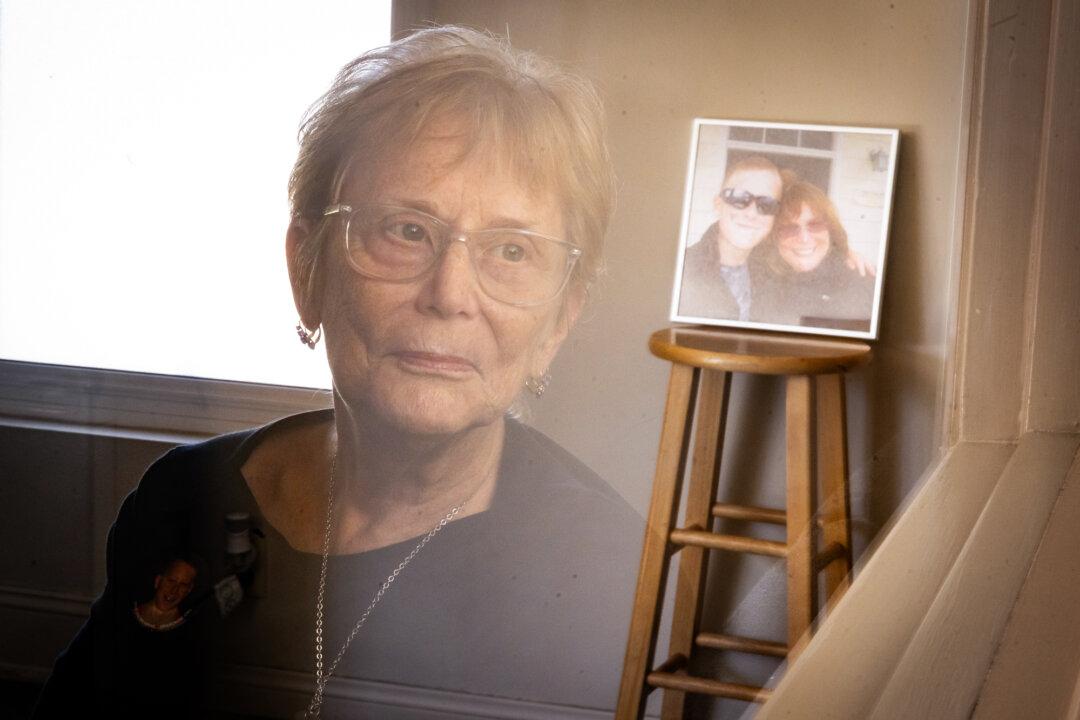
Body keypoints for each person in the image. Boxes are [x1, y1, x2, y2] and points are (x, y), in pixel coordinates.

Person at [35, 26, 643, 719]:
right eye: (406, 230)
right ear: (306, 268)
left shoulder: (617, 578)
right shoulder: (183, 496)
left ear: (559, 320)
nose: (449, 295)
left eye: (510, 250)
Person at [753, 178, 875, 331]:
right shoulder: (754, 280)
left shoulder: (866, 285)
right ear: (773, 236)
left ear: (831, 230)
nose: (804, 239)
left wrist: (844, 251)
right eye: (789, 228)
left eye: (815, 225)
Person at [677, 156, 782, 321]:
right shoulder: (682, 269)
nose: (751, 213)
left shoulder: (776, 280)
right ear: (718, 204)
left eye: (766, 204)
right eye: (739, 198)